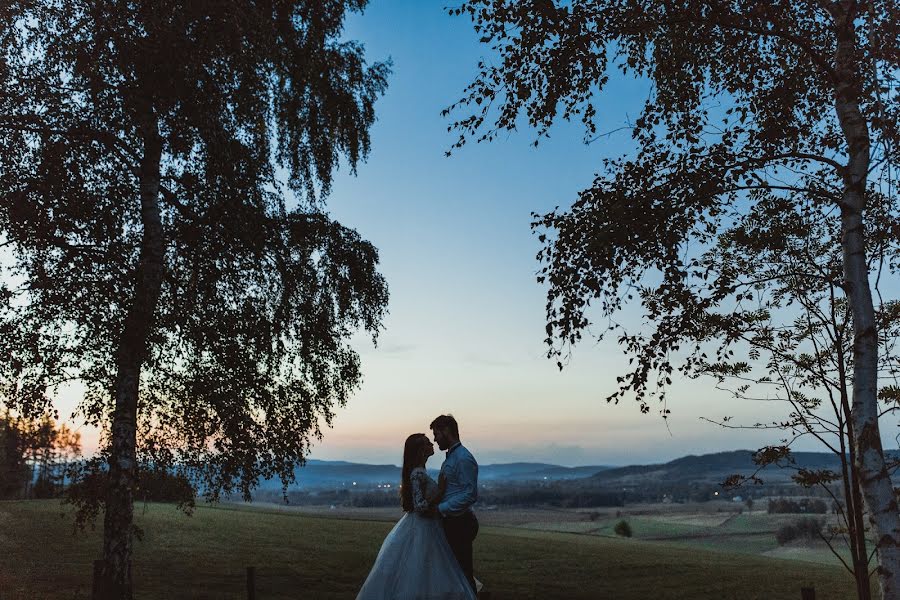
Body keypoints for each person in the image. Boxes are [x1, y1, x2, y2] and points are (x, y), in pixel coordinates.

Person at [356, 433, 476, 600]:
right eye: (428, 442)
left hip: (430, 526)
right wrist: (440, 491)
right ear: (421, 451)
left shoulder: (421, 472)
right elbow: (420, 507)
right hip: (422, 527)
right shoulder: (417, 474)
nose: (432, 443)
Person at [430, 414, 479, 594]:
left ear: (447, 431)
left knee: (463, 574)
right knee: (453, 574)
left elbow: (470, 494)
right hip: (450, 523)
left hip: (460, 523)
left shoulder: (463, 458)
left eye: (436, 434)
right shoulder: (451, 458)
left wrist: (440, 509)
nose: (434, 439)